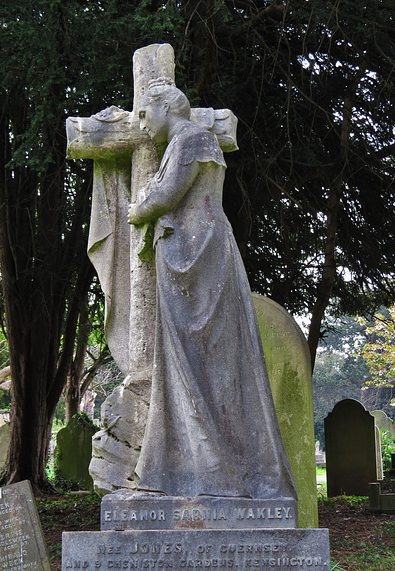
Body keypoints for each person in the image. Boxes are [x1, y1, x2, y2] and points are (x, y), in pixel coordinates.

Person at [128, 78, 296, 500]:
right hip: (188, 257)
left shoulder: (192, 140)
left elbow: (168, 195)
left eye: (146, 115)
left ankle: (217, 471)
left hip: (198, 260)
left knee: (205, 363)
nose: (143, 127)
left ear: (167, 108)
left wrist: (137, 212)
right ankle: (188, 468)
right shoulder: (183, 142)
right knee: (187, 363)